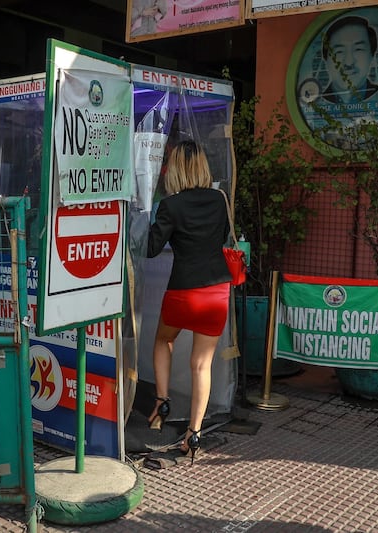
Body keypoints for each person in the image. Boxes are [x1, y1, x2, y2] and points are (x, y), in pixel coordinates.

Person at [145, 140, 231, 464]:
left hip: (182, 292)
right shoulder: (219, 200)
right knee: (201, 364)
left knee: (163, 341)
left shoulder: (171, 205)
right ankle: (193, 434)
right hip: (216, 293)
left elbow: (151, 247)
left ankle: (161, 403)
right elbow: (221, 238)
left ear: (175, 168)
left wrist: (144, 223)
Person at [320, 16, 378, 104]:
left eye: (358, 49)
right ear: (326, 59)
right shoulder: (317, 101)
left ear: (372, 55)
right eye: (339, 51)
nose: (349, 62)